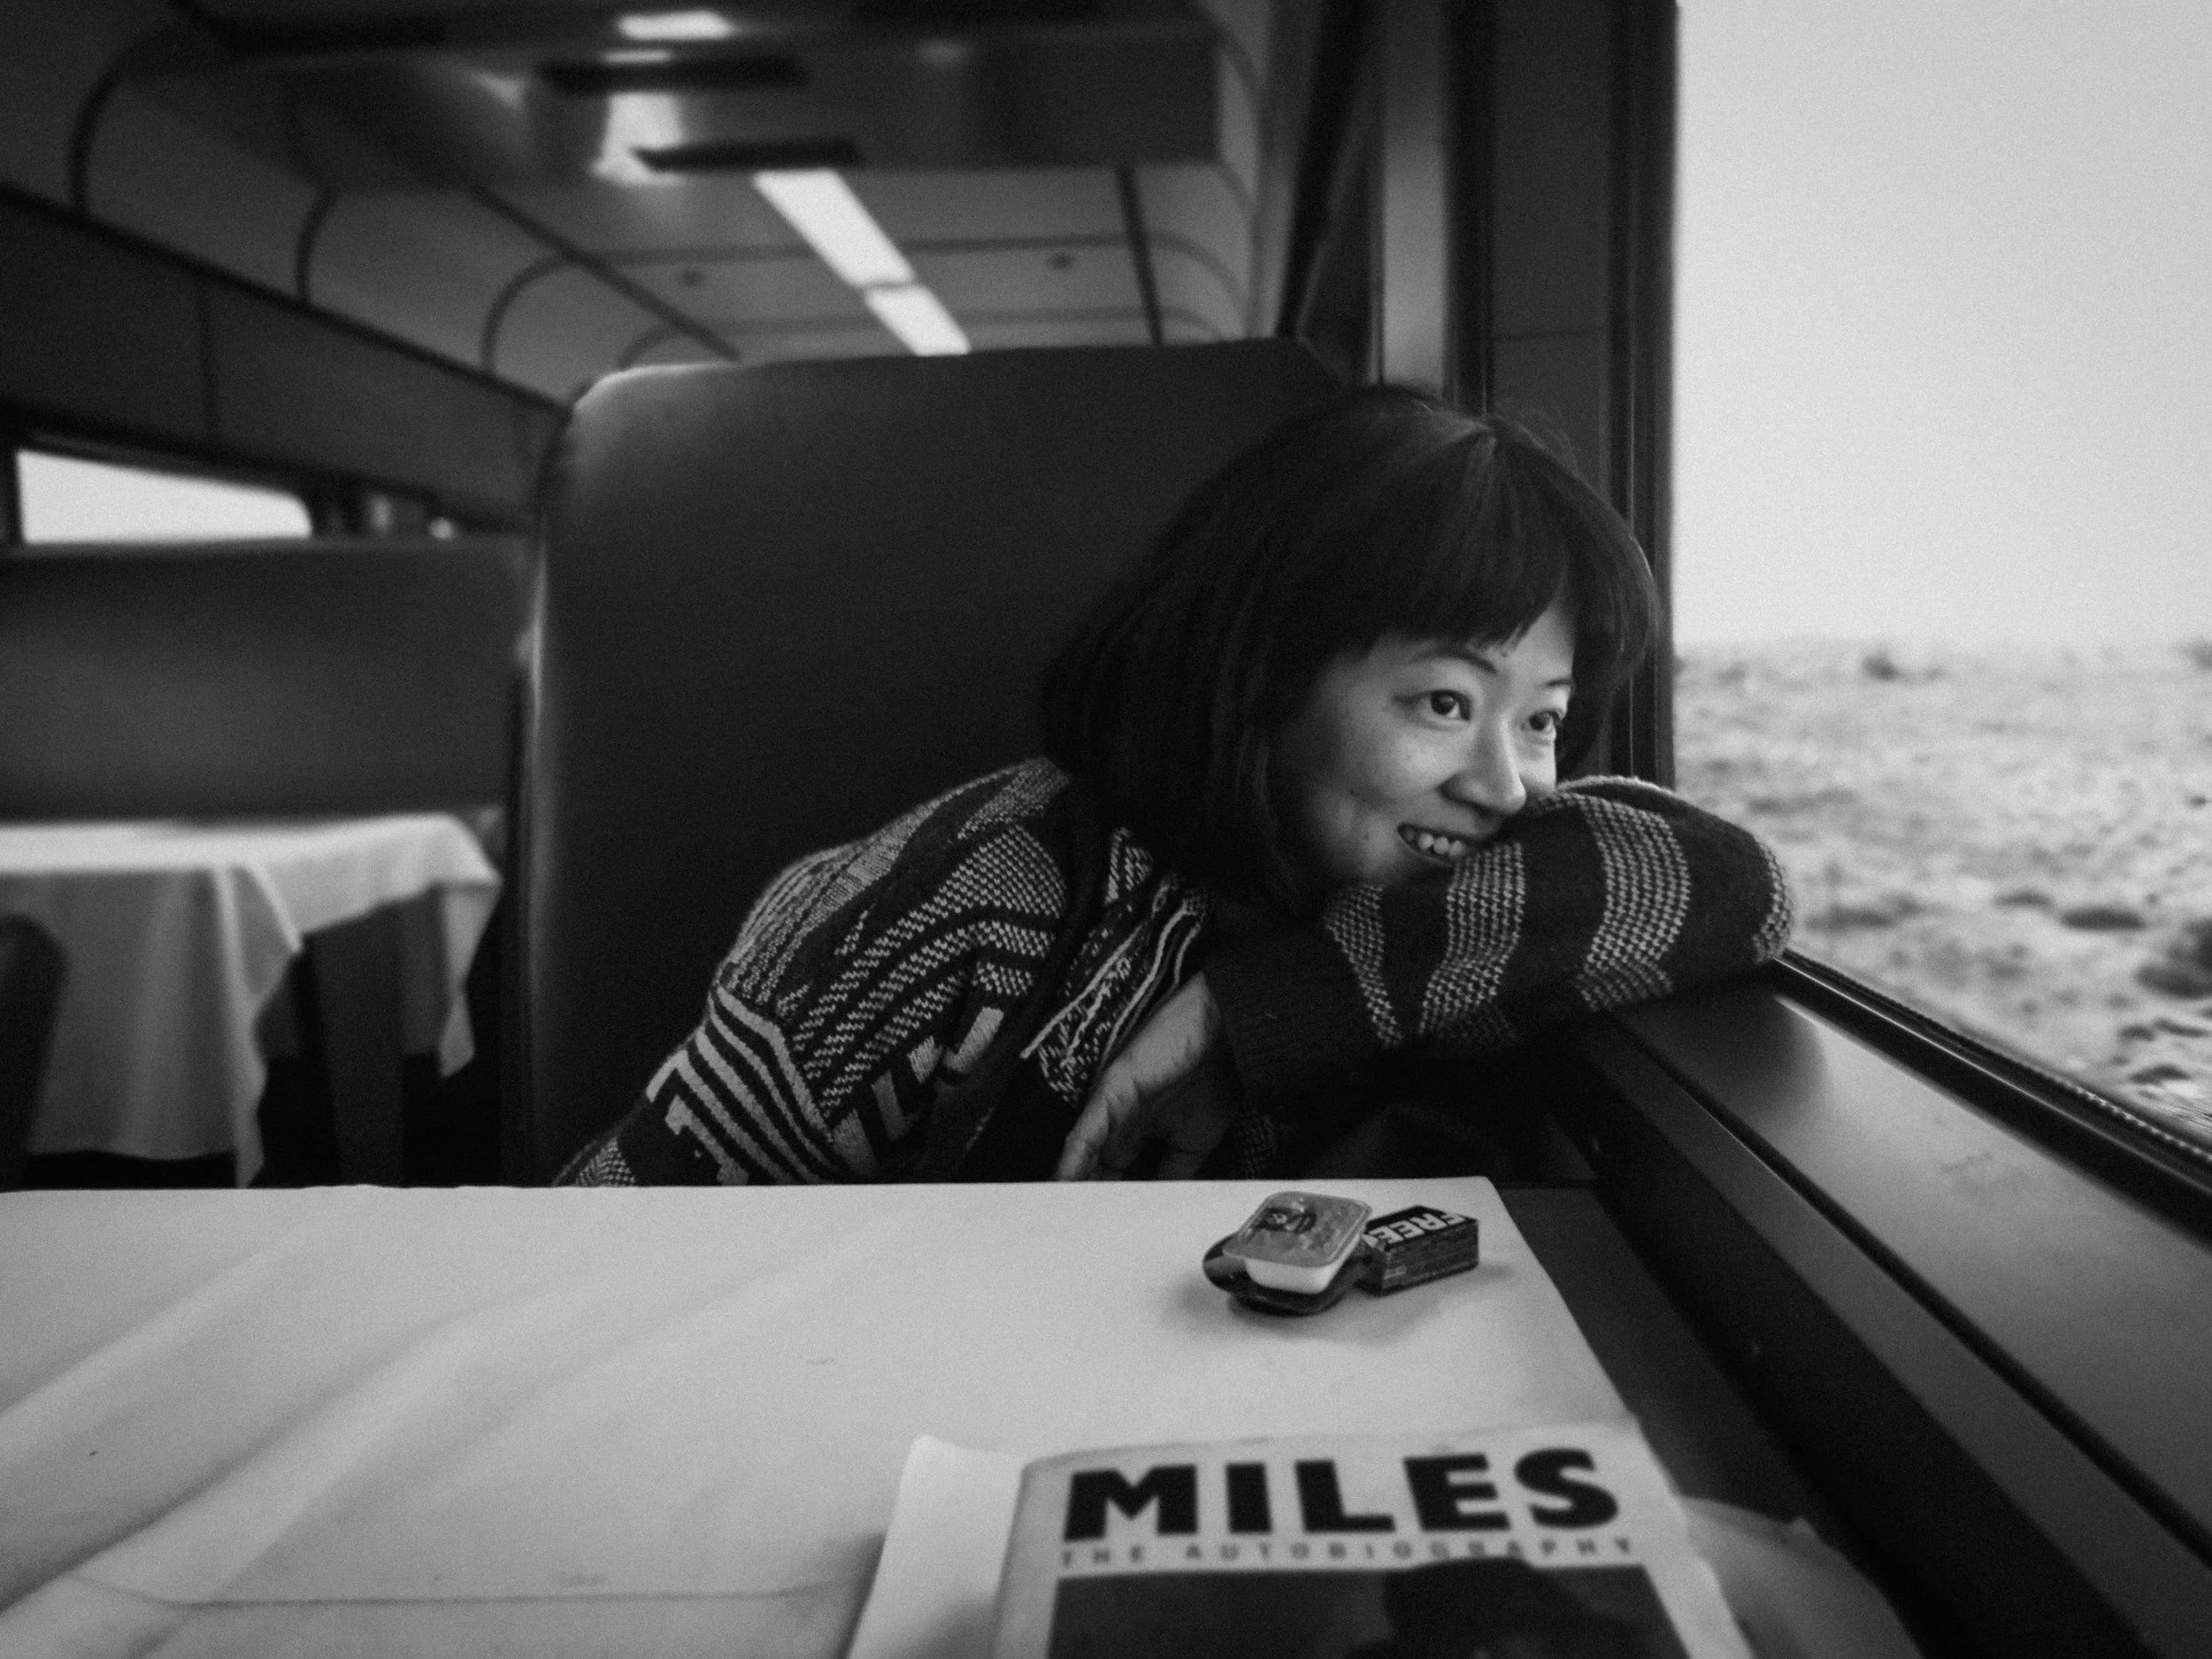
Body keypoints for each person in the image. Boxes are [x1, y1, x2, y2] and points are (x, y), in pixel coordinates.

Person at [557, 388, 1791, 1187]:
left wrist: (1259, 1007)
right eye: (1445, 703)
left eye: (1545, 719)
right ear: (1261, 674)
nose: (1510, 786)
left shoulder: (1459, 907)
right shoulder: (946, 912)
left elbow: (1737, 885)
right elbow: (607, 1262)